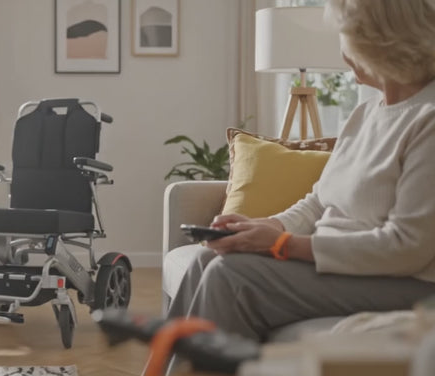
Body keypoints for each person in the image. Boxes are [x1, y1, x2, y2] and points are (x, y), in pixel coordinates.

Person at [166, 0, 435, 341]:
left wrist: (282, 244)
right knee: (203, 261)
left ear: (376, 41)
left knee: (231, 276)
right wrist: (264, 226)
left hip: (405, 284)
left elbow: (407, 248)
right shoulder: (366, 113)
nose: (342, 49)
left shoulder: (428, 119)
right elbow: (319, 201)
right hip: (343, 268)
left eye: (344, 35)